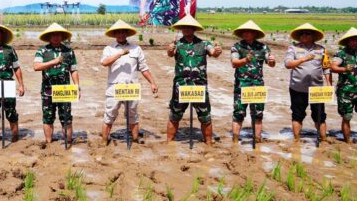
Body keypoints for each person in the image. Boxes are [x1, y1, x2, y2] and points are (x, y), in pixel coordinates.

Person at [167, 14, 222, 144]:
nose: (186, 29)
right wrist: (170, 49)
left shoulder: (204, 44)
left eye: (189, 27)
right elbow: (170, 54)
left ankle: (208, 142)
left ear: (194, 28)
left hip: (199, 87)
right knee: (175, 115)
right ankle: (169, 142)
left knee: (205, 116)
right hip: (181, 86)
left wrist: (217, 51)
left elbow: (213, 53)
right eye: (184, 27)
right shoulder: (177, 44)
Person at [101, 19, 158, 144]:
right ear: (114, 34)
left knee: (133, 114)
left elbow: (143, 68)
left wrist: (152, 83)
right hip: (114, 87)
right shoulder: (109, 49)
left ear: (127, 34)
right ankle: (104, 140)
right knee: (110, 113)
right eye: (118, 33)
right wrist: (119, 54)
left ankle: (135, 139)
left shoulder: (136, 48)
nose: (121, 35)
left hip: (131, 87)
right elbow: (104, 63)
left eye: (123, 32)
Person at [284, 23, 332, 142]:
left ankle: (324, 139)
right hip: (298, 88)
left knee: (320, 115)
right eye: (302, 34)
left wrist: (329, 84)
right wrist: (303, 59)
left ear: (313, 36)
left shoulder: (321, 50)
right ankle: (296, 140)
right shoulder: (293, 48)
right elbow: (288, 64)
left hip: (317, 89)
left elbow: (326, 68)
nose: (304, 35)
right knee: (297, 115)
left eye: (307, 33)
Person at [33, 23, 79, 145]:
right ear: (49, 36)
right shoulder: (42, 50)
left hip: (65, 89)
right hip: (48, 89)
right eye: (53, 34)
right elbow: (36, 67)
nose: (56, 37)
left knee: (66, 117)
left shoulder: (68, 51)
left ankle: (68, 142)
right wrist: (54, 61)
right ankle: (49, 143)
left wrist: (77, 86)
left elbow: (73, 70)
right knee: (48, 117)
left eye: (58, 34)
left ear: (62, 36)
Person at [230, 20, 275, 143]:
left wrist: (272, 60)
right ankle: (234, 140)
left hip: (257, 86)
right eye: (244, 32)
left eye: (248, 32)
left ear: (254, 33)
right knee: (238, 113)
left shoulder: (263, 47)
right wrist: (245, 60)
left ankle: (257, 139)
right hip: (241, 85)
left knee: (258, 114)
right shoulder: (237, 47)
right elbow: (234, 63)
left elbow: (271, 63)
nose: (245, 34)